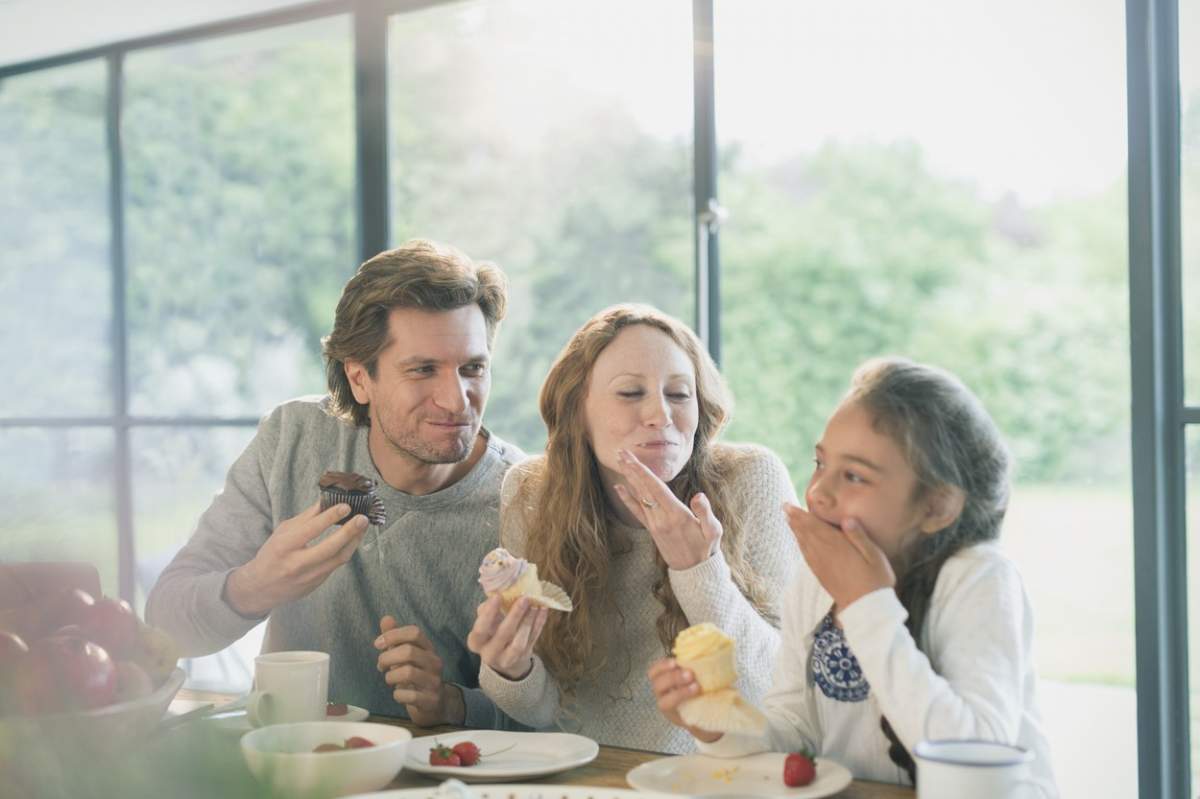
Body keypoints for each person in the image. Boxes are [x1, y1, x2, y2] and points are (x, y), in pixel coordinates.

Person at [146, 239, 525, 728]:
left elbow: (557, 714)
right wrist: (253, 588)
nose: (456, 401)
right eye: (423, 370)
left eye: (473, 368)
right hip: (290, 765)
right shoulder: (292, 439)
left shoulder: (523, 500)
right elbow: (167, 625)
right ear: (359, 378)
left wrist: (453, 704)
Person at [649, 357, 1057, 792]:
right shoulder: (816, 579)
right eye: (820, 464)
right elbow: (795, 728)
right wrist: (716, 724)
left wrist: (866, 604)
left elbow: (974, 754)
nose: (819, 492)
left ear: (936, 507)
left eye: (855, 476)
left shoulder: (979, 580)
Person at [466, 304, 799, 753]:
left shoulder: (750, 480)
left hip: (711, 778)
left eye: (680, 395)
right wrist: (511, 670)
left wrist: (700, 571)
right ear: (577, 411)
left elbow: (781, 695)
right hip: (581, 778)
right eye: (629, 393)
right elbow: (543, 712)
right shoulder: (531, 491)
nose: (660, 415)